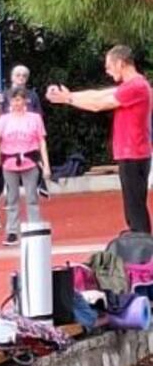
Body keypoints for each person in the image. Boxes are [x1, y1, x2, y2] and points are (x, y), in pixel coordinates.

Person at [46, 45, 152, 234]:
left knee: (135, 208)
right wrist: (69, 96)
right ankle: (140, 244)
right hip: (131, 152)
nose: (107, 70)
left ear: (120, 63)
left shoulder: (136, 86)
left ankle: (143, 249)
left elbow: (99, 104)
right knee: (133, 206)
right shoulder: (131, 85)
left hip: (134, 153)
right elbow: (98, 94)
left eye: (109, 66)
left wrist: (68, 100)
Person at [0, 87, 50, 245]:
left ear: (25, 100)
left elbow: (41, 141)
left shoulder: (35, 118)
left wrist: (46, 165)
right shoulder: (3, 119)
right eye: (13, 100)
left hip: (30, 161)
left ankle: (34, 227)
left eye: (19, 99)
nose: (16, 103)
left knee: (32, 196)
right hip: (9, 162)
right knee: (11, 198)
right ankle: (12, 232)